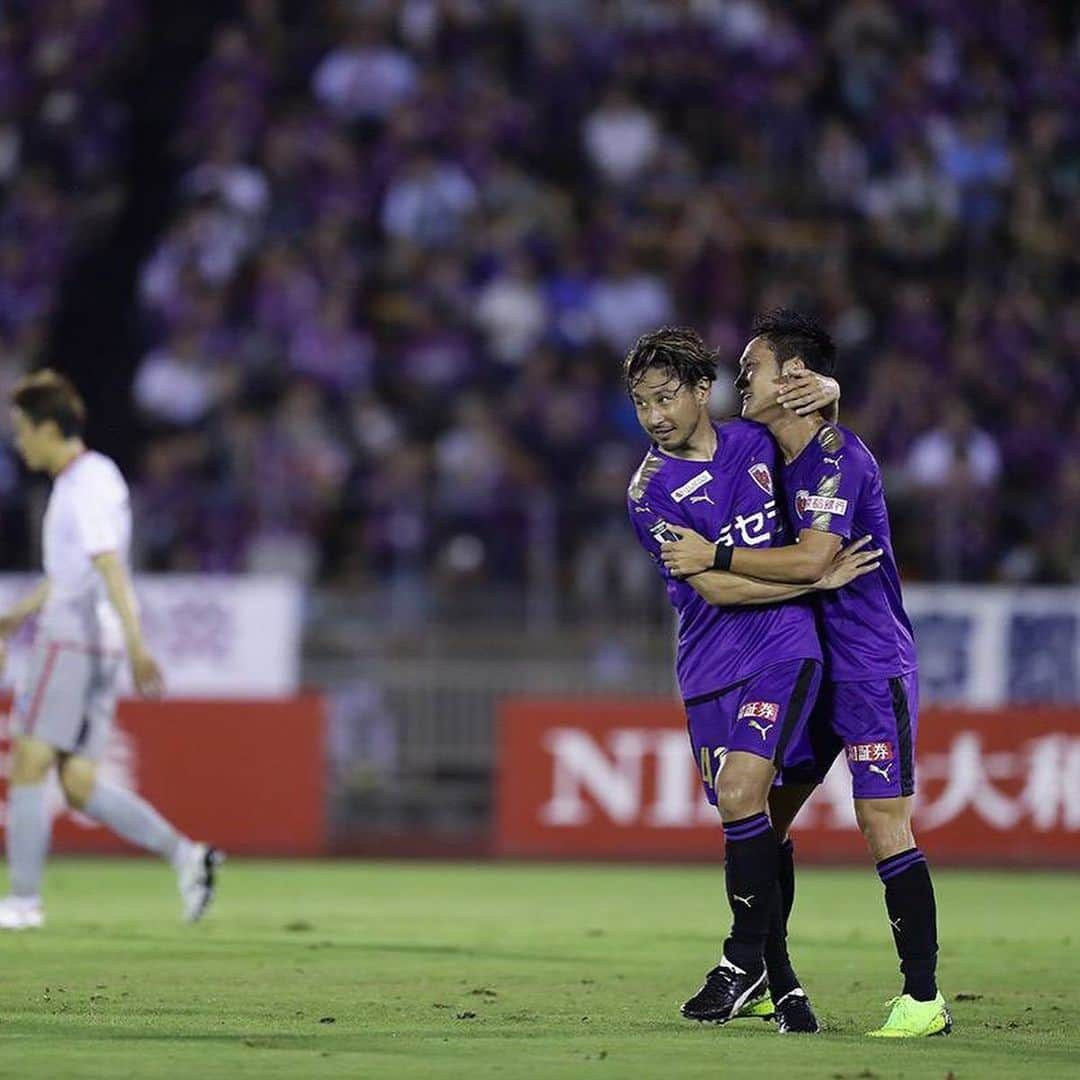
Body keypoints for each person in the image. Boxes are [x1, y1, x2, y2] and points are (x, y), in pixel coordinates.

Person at [660, 310, 951, 1038]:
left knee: (881, 821)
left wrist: (714, 557)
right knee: (763, 820)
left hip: (868, 665)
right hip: (809, 666)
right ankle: (768, 975)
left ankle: (923, 997)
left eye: (752, 369)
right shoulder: (768, 453)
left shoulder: (837, 458)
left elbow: (817, 562)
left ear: (790, 379)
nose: (739, 381)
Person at [624, 328, 881, 1032]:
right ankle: (782, 982)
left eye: (665, 397)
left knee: (743, 792)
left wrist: (830, 389)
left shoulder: (753, 441)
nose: (654, 416)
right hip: (708, 666)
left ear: (703, 389)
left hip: (781, 648)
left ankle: (738, 962)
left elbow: (819, 430)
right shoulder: (649, 493)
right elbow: (719, 593)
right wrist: (812, 579)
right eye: (641, 403)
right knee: (752, 820)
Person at [0, 370, 220, 929]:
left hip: (73, 638)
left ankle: (23, 903)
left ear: (49, 428)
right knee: (77, 785)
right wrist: (13, 619)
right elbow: (72, 573)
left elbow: (108, 564)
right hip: (100, 643)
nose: (18, 440)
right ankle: (187, 857)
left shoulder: (80, 487)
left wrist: (143, 644)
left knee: (28, 760)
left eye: (22, 429)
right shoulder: (101, 476)